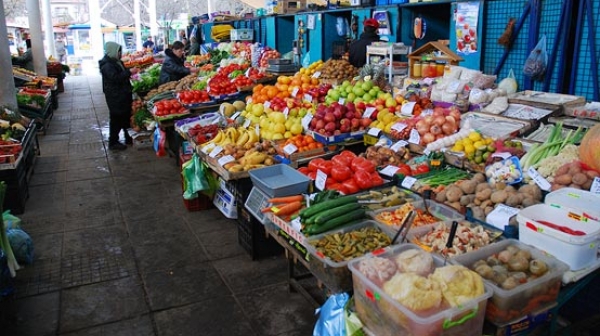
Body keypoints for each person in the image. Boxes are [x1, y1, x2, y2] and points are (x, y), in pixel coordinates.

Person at [99, 41, 140, 150]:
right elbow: (115, 78)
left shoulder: (115, 61)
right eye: (118, 51)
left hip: (121, 94)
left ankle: (128, 137)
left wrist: (129, 73)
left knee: (125, 117)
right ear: (113, 51)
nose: (120, 53)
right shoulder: (107, 65)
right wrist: (129, 72)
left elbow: (121, 73)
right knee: (116, 118)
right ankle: (113, 142)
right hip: (115, 96)